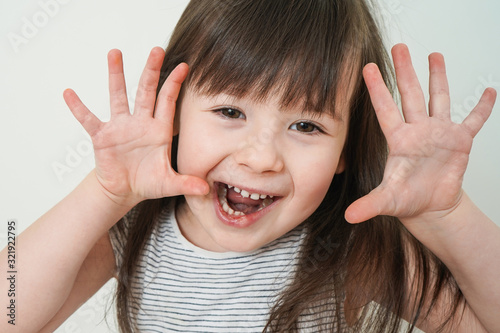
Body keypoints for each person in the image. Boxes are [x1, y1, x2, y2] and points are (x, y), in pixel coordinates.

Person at [1, 0, 499, 332]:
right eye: (230, 112)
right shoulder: (132, 227)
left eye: (307, 126)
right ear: (171, 115)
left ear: (346, 150)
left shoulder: (352, 247)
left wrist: (448, 214)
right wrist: (104, 193)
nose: (260, 158)